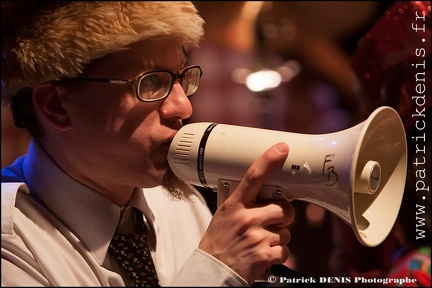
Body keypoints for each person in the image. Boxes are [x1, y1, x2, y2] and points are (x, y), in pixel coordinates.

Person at [1, 2, 294, 287]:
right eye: (151, 82)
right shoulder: (10, 240)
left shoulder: (178, 202)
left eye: (181, 77)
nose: (183, 107)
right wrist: (218, 268)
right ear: (56, 106)